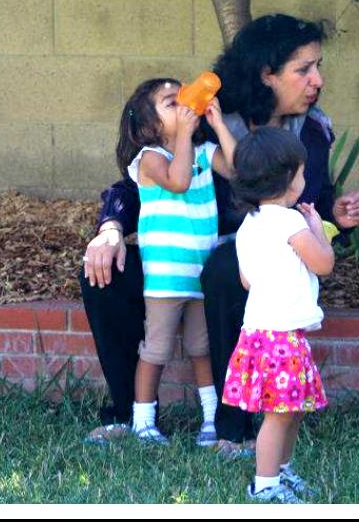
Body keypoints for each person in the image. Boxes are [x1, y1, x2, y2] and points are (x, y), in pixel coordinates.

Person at [79, 14, 359, 448]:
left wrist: (337, 219)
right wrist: (112, 227)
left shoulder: (311, 132)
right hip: (182, 255)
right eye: (304, 69)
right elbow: (140, 179)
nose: (317, 80)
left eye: (317, 67)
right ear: (266, 75)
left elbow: (313, 210)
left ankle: (232, 426)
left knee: (224, 268)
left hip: (249, 261)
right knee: (105, 272)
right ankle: (127, 412)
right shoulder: (209, 117)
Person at [114, 78, 236, 445]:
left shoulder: (203, 152)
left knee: (202, 348)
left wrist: (218, 125)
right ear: (149, 125)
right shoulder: (149, 160)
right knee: (156, 349)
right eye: (171, 102)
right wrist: (185, 133)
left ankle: (211, 418)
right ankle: (143, 420)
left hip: (202, 276)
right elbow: (179, 182)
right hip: (166, 278)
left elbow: (239, 170)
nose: (184, 104)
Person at [223, 127, 332, 503]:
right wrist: (319, 231)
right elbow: (322, 264)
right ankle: (266, 485)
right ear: (289, 177)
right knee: (280, 414)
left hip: (260, 333)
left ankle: (282, 472)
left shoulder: (248, 226)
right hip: (281, 336)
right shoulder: (291, 223)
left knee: (291, 409)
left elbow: (247, 280)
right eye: (302, 172)